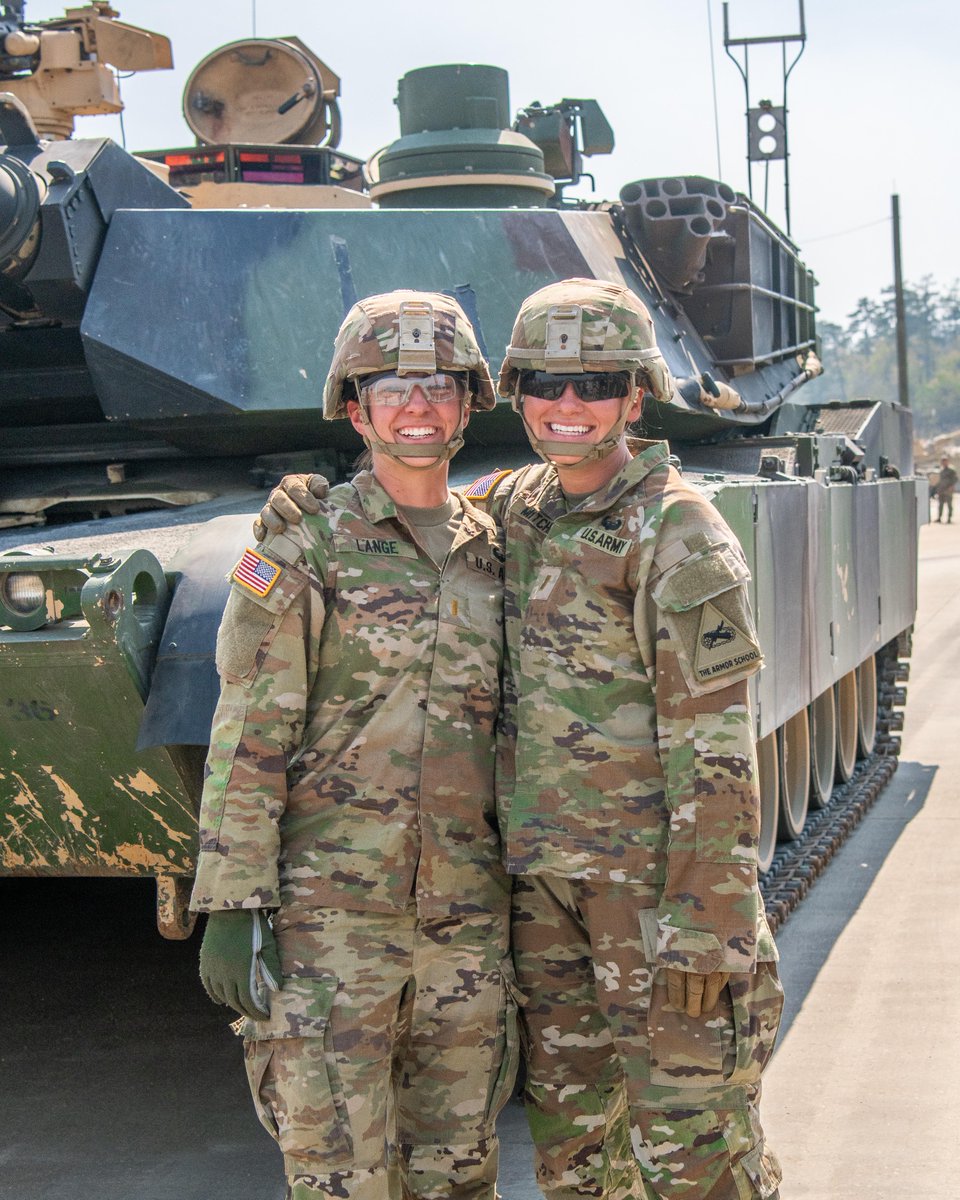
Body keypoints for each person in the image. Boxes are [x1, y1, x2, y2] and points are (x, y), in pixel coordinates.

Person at [259, 278, 784, 1200]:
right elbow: (409, 502)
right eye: (545, 382)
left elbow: (720, 752)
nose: (567, 405)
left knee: (697, 1153)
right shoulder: (515, 507)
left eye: (595, 384)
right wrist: (301, 503)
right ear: (516, 393)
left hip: (656, 902)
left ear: (636, 394)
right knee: (580, 1161)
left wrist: (711, 925)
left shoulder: (678, 533)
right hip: (541, 902)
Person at [191, 290, 519, 1200]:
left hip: (467, 928)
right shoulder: (302, 548)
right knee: (340, 1180)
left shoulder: (502, 552)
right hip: (330, 934)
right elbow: (249, 729)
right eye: (392, 386)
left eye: (440, 385)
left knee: (460, 1177)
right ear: (353, 406)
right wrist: (229, 901)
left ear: (468, 402)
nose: (419, 404)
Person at [934, 455, 958, 522]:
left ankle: (949, 518)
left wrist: (951, 486)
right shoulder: (941, 471)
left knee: (949, 505)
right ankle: (939, 517)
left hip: (948, 490)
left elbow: (955, 479)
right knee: (940, 505)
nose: (944, 463)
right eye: (943, 461)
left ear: (947, 462)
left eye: (945, 461)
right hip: (941, 490)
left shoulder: (951, 470)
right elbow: (938, 480)